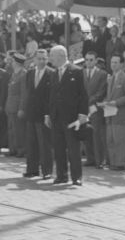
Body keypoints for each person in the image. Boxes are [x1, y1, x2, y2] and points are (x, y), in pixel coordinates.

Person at [46, 45, 88, 186]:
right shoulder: (53, 73)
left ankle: (77, 177)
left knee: (73, 149)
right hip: (56, 116)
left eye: (52, 56)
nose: (50, 59)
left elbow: (83, 95)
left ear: (61, 56)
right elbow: (50, 96)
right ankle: (61, 175)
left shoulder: (76, 72)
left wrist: (82, 115)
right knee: (58, 148)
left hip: (71, 118)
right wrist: (48, 115)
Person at [98, 54, 125, 171]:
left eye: (116, 62)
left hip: (120, 114)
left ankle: (120, 163)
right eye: (112, 62)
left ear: (121, 64)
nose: (113, 65)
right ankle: (113, 162)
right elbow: (109, 96)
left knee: (119, 140)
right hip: (110, 113)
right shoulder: (111, 78)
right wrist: (104, 103)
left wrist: (116, 102)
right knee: (110, 140)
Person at [24, 49, 55, 179]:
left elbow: (52, 97)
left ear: (47, 59)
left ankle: (47, 171)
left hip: (44, 115)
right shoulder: (30, 73)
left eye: (44, 58)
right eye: (39, 58)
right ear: (34, 60)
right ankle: (32, 169)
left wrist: (49, 114)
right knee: (31, 143)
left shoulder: (51, 73)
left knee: (45, 144)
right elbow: (28, 93)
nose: (42, 61)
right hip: (31, 113)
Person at [83, 51, 108, 169]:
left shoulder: (102, 74)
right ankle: (90, 158)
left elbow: (102, 91)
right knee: (86, 133)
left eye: (91, 60)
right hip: (83, 108)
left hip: (95, 108)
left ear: (96, 60)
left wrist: (90, 101)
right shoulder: (81, 72)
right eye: (87, 60)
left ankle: (100, 160)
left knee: (96, 134)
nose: (89, 62)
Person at [5, 53, 27, 158]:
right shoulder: (14, 74)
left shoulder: (23, 74)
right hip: (10, 106)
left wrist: (21, 108)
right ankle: (12, 148)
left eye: (13, 61)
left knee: (19, 130)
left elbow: (24, 93)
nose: (11, 63)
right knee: (11, 129)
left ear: (17, 63)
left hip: (17, 106)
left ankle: (21, 149)